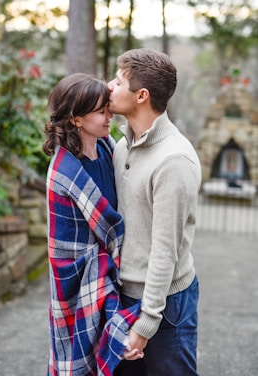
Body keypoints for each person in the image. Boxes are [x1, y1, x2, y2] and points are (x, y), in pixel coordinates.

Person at [108, 49, 202, 376]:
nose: (109, 87)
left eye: (118, 81)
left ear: (141, 95)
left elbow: (165, 251)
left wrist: (146, 323)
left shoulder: (174, 161)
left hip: (166, 305)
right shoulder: (122, 145)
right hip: (123, 297)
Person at [43, 73, 142, 376]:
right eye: (101, 111)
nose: (110, 115)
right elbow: (69, 251)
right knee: (78, 356)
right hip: (79, 276)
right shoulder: (63, 172)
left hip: (109, 267)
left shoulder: (108, 148)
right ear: (75, 119)